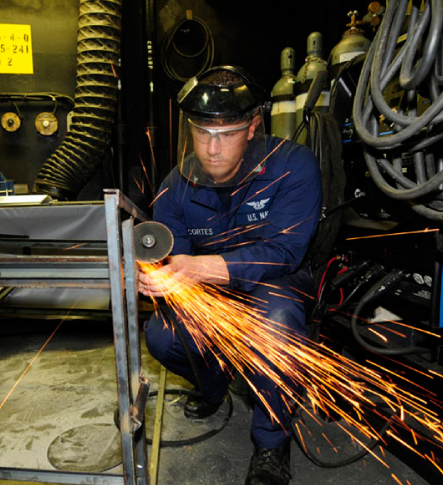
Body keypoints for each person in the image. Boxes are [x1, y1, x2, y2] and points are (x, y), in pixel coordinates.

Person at [138, 65, 322, 485]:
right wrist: (157, 276)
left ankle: (272, 443)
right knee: (162, 335)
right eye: (202, 133)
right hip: (212, 292)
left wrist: (198, 267)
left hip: (278, 284)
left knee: (274, 323)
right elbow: (173, 263)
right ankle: (214, 383)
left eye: (226, 133)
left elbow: (284, 253)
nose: (212, 148)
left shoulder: (293, 166)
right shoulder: (174, 188)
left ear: (253, 127)